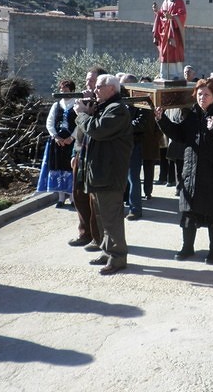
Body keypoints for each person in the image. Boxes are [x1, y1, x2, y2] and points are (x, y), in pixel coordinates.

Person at [155, 78, 213, 264]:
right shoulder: (192, 114)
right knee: (188, 213)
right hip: (191, 171)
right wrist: (162, 120)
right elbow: (180, 135)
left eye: (206, 94)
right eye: (199, 94)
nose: (202, 97)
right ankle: (187, 247)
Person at [74, 74, 133, 275]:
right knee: (101, 217)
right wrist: (89, 110)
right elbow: (87, 132)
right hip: (99, 172)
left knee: (111, 218)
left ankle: (117, 258)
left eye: (99, 86)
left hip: (109, 173)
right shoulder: (106, 107)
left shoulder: (117, 110)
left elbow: (97, 130)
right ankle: (107, 252)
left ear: (112, 89)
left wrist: (82, 114)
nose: (95, 89)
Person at [68, 67, 102, 249]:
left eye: (93, 81)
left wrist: (88, 111)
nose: (88, 83)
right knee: (78, 194)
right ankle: (84, 233)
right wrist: (75, 152)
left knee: (94, 199)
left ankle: (98, 237)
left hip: (95, 156)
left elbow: (96, 128)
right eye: (87, 80)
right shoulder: (82, 101)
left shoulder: (101, 103)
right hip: (81, 153)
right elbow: (79, 130)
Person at [36, 79, 77, 208]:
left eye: (65, 90)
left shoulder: (76, 104)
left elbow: (80, 123)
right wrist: (56, 136)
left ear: (72, 91)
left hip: (71, 141)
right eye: (61, 90)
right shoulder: (56, 105)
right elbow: (50, 122)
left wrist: (72, 137)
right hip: (58, 141)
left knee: (70, 168)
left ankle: (72, 198)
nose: (63, 93)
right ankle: (60, 198)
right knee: (58, 167)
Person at [120, 74, 146, 220]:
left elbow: (141, 123)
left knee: (133, 178)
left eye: (125, 84)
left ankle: (135, 209)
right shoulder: (119, 101)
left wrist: (121, 127)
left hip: (133, 144)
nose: (122, 87)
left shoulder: (141, 101)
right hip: (118, 144)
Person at [152, 0, 186, 80]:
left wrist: (172, 17)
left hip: (173, 33)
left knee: (173, 53)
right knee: (164, 53)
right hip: (164, 33)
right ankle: (164, 74)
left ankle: (176, 74)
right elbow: (161, 15)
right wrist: (157, 12)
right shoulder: (165, 1)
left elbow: (182, 15)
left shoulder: (178, 0)